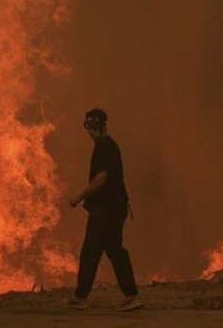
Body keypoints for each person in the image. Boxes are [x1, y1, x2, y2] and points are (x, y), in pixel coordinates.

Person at [68, 108, 143, 312]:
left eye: (95, 127)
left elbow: (100, 179)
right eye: (88, 127)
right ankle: (131, 295)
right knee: (114, 251)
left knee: (91, 251)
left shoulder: (105, 147)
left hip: (106, 210)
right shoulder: (104, 146)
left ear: (103, 126)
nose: (91, 131)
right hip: (112, 209)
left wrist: (78, 197)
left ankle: (81, 297)